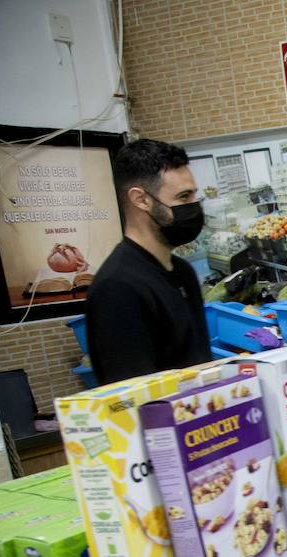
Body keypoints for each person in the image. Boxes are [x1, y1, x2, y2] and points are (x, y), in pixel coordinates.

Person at [87, 139, 211, 385]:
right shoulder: (118, 287)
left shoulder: (183, 272)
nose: (193, 206)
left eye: (194, 194)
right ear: (141, 199)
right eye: (183, 197)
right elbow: (130, 397)